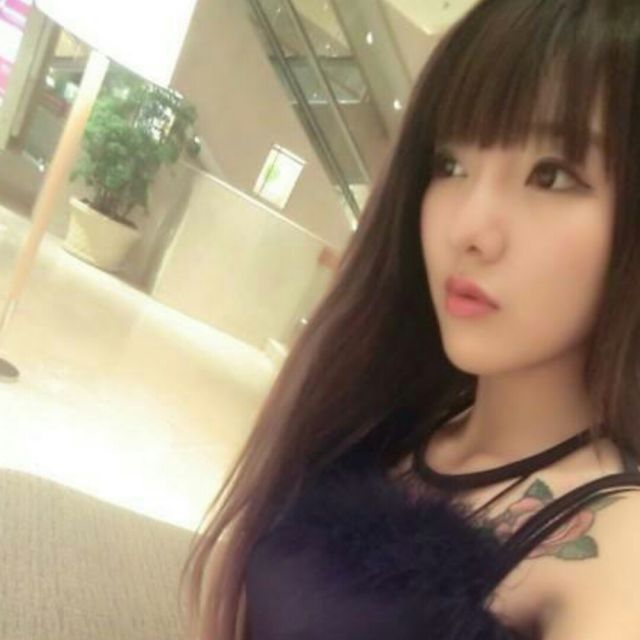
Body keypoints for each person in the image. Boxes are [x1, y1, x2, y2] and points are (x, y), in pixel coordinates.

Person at [179, 1, 640, 638]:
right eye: (450, 165)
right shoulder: (382, 418)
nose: (468, 228)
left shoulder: (618, 547)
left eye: (551, 175)